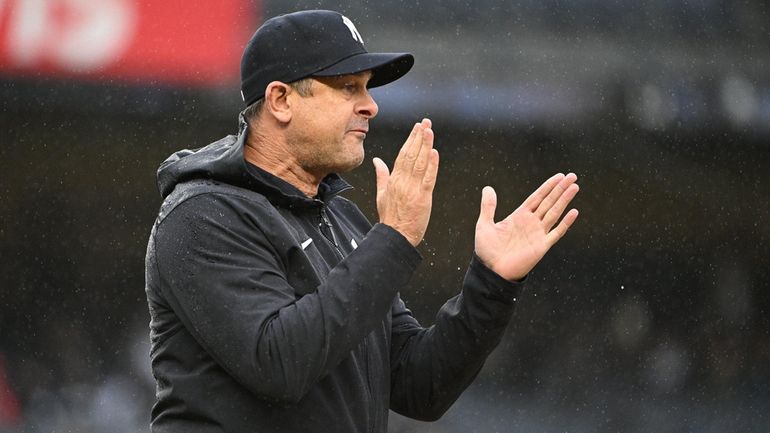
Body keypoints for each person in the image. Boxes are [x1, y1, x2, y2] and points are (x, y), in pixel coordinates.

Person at [144, 9, 580, 433]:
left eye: (367, 88)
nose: (370, 106)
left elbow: (419, 386)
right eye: (348, 87)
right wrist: (394, 237)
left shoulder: (338, 218)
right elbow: (278, 366)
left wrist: (491, 283)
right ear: (280, 100)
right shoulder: (201, 214)